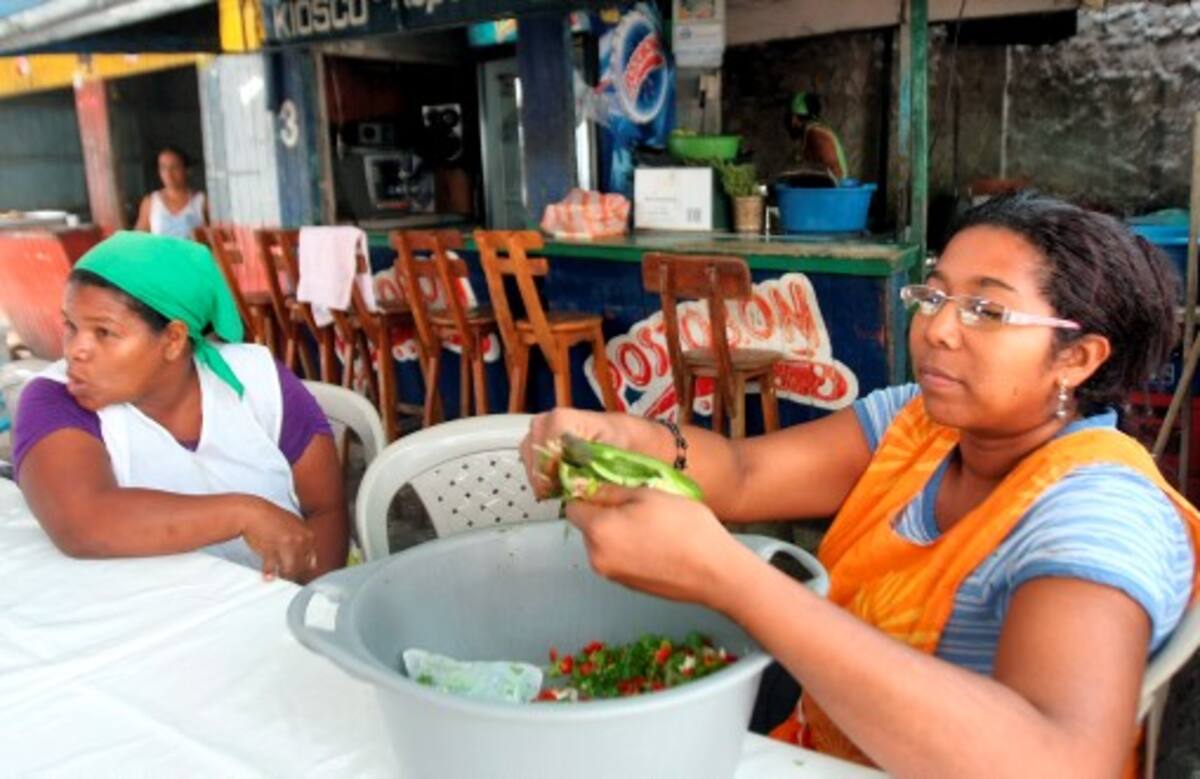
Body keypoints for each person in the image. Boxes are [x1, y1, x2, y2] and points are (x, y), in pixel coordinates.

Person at [521, 192, 1200, 777]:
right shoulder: (920, 423)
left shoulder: (1100, 507)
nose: (935, 328)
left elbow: (1058, 760)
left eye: (987, 313)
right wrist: (637, 441)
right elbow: (745, 473)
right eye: (934, 295)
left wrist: (728, 577)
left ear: (1076, 358)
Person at [13, 231, 347, 583]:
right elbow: (82, 522)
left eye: (103, 332)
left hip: (276, 604)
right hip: (161, 613)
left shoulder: (258, 381)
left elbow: (325, 509)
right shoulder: (54, 398)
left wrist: (311, 601)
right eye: (71, 325)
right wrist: (243, 513)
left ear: (173, 339)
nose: (74, 350)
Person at [135, 146, 208, 239]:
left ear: (187, 170)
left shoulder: (201, 202)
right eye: (163, 167)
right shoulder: (151, 202)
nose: (168, 174)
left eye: (175, 167)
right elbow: (139, 238)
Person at [786, 92, 848, 182]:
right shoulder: (814, 130)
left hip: (832, 191)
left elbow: (830, 172)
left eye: (798, 117)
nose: (792, 123)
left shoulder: (816, 134)